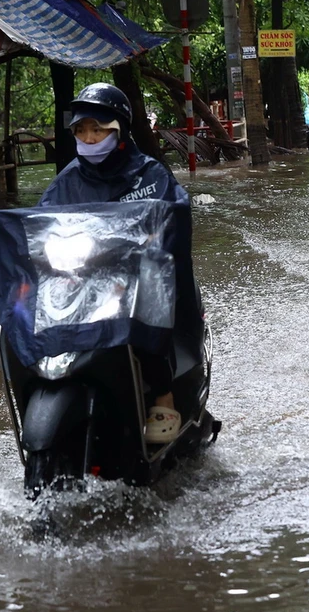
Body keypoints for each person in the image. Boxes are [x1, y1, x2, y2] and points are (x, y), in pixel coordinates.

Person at [38, 82, 200, 443]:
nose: (89, 138)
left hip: (134, 278)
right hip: (84, 278)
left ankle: (163, 393)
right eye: (82, 130)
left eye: (98, 129)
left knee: (151, 298)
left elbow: (175, 213)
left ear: (119, 130)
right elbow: (42, 224)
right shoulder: (67, 182)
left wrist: (154, 238)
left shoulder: (149, 174)